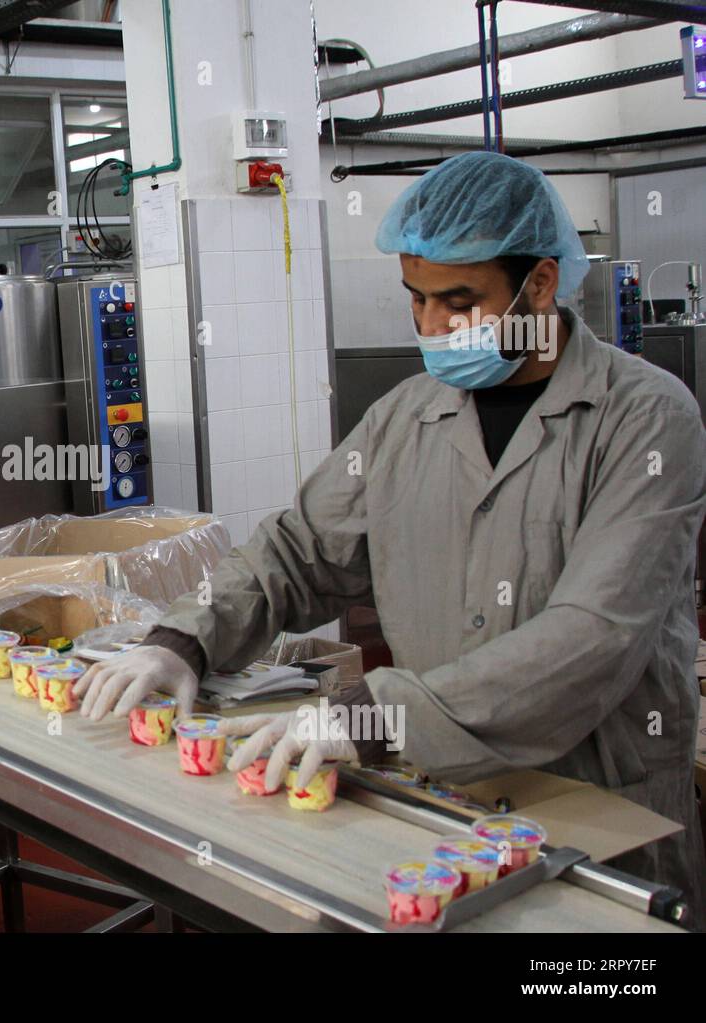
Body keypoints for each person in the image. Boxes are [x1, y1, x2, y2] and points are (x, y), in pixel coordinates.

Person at [74, 151, 706, 925]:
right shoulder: (408, 416)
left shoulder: (646, 419)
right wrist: (182, 638)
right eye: (417, 300)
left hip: (604, 812)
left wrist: (369, 714)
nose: (433, 327)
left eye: (460, 301)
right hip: (448, 804)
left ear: (540, 284)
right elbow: (297, 548)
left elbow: (594, 637)